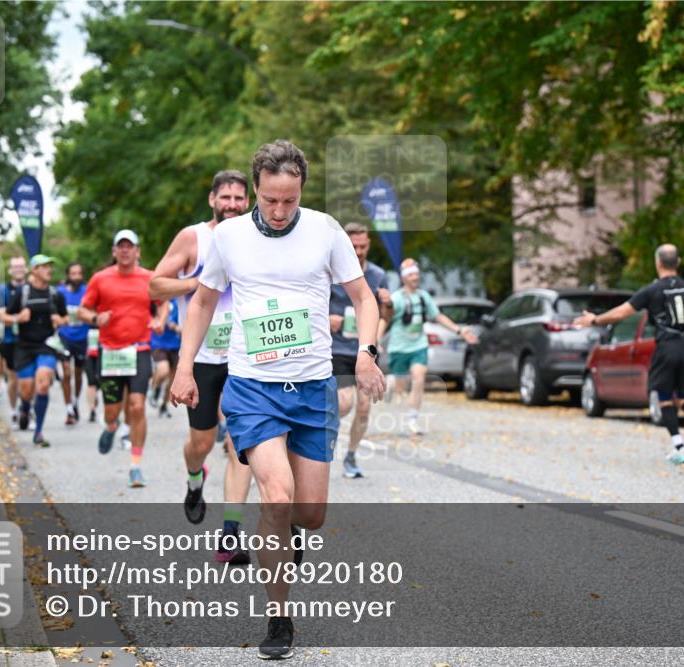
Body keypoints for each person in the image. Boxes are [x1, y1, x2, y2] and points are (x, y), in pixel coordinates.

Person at [170, 141, 386, 659]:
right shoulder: (231, 238)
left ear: (301, 192)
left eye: (289, 201)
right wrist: (184, 367)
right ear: (257, 190)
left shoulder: (325, 230)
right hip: (252, 389)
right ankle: (279, 618)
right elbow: (201, 302)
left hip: (313, 388)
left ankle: (288, 530)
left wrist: (365, 353)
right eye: (270, 200)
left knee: (309, 514)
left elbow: (364, 298)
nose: (279, 211)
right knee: (276, 494)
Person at [151, 170, 254, 564]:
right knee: (202, 443)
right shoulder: (193, 237)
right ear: (213, 200)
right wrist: (196, 285)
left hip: (245, 359)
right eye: (225, 197)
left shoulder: (256, 238)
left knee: (240, 443)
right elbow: (155, 285)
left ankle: (230, 532)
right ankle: (195, 480)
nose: (231, 204)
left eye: (238, 198)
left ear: (248, 201)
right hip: (204, 360)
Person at [574, 244, 684, 464]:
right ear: (677, 262)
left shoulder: (652, 290)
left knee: (664, 397)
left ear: (658, 263)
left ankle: (680, 447)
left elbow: (622, 312)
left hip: (666, 347)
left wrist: (595, 319)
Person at [79, 229, 166, 488]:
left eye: (131, 246)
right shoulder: (100, 279)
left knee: (138, 406)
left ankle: (136, 466)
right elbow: (83, 310)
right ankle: (111, 426)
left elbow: (163, 303)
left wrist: (160, 320)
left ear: (138, 251)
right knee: (112, 410)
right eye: (121, 246)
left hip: (139, 349)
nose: (126, 250)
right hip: (111, 353)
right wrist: (95, 319)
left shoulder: (150, 278)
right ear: (114, 251)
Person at [377, 258, 477, 436]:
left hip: (418, 346)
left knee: (419, 378)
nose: (415, 277)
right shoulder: (397, 299)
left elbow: (438, 316)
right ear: (404, 278)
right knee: (401, 386)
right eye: (411, 275)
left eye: (417, 274)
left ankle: (413, 419)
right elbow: (386, 319)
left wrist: (459, 330)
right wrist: (376, 341)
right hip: (399, 348)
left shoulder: (424, 297)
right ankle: (391, 382)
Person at [328, 222, 392, 478]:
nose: (358, 250)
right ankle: (321, 436)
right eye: (353, 246)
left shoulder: (377, 275)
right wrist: (327, 318)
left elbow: (386, 314)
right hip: (338, 348)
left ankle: (351, 457)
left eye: (363, 246)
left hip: (365, 349)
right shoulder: (331, 272)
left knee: (364, 408)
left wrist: (388, 304)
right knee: (344, 404)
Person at [5, 255, 67, 447]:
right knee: (26, 389)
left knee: (42, 385)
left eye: (50, 266)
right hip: (24, 346)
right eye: (44, 267)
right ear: (34, 270)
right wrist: (17, 318)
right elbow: (5, 316)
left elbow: (66, 318)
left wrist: (60, 320)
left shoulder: (55, 294)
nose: (49, 270)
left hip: (47, 345)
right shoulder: (21, 293)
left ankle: (38, 431)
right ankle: (24, 408)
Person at [0, 256, 29, 422]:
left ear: (26, 269)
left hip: (29, 338)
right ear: (10, 270)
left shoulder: (31, 287)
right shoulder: (3, 290)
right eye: (15, 266)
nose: (18, 269)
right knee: (13, 377)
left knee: (29, 378)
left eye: (21, 266)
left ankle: (26, 408)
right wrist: (14, 316)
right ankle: (14, 409)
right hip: (9, 340)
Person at [58, 262, 90, 426]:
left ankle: (76, 401)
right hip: (64, 337)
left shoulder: (87, 291)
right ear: (68, 275)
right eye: (73, 274)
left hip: (81, 338)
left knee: (78, 374)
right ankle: (69, 409)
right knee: (66, 372)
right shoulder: (60, 293)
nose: (77, 277)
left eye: (79, 273)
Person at [148, 299, 180, 419]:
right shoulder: (156, 298)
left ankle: (164, 406)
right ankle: (154, 387)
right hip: (158, 343)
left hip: (177, 344)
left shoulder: (179, 300)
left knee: (173, 381)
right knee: (163, 370)